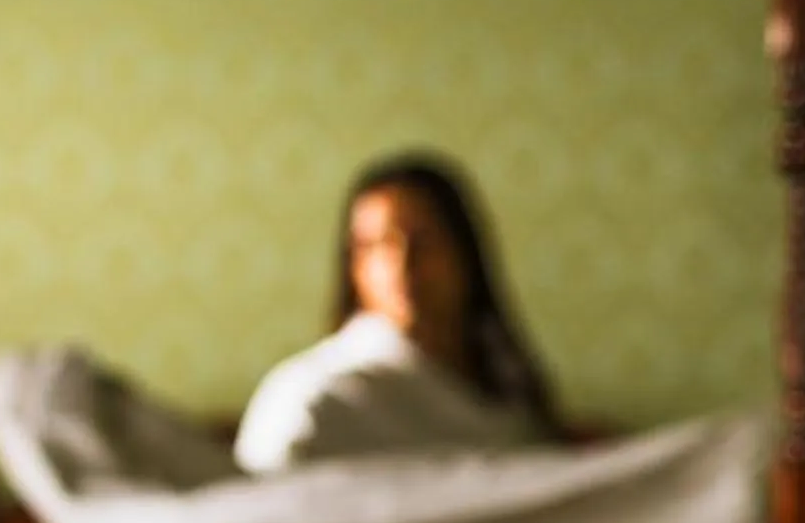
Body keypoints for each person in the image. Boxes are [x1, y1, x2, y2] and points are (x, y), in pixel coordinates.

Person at [234, 154, 564, 473]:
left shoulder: (512, 398)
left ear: (464, 253)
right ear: (353, 267)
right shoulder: (312, 398)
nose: (401, 265)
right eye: (375, 245)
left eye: (422, 241)